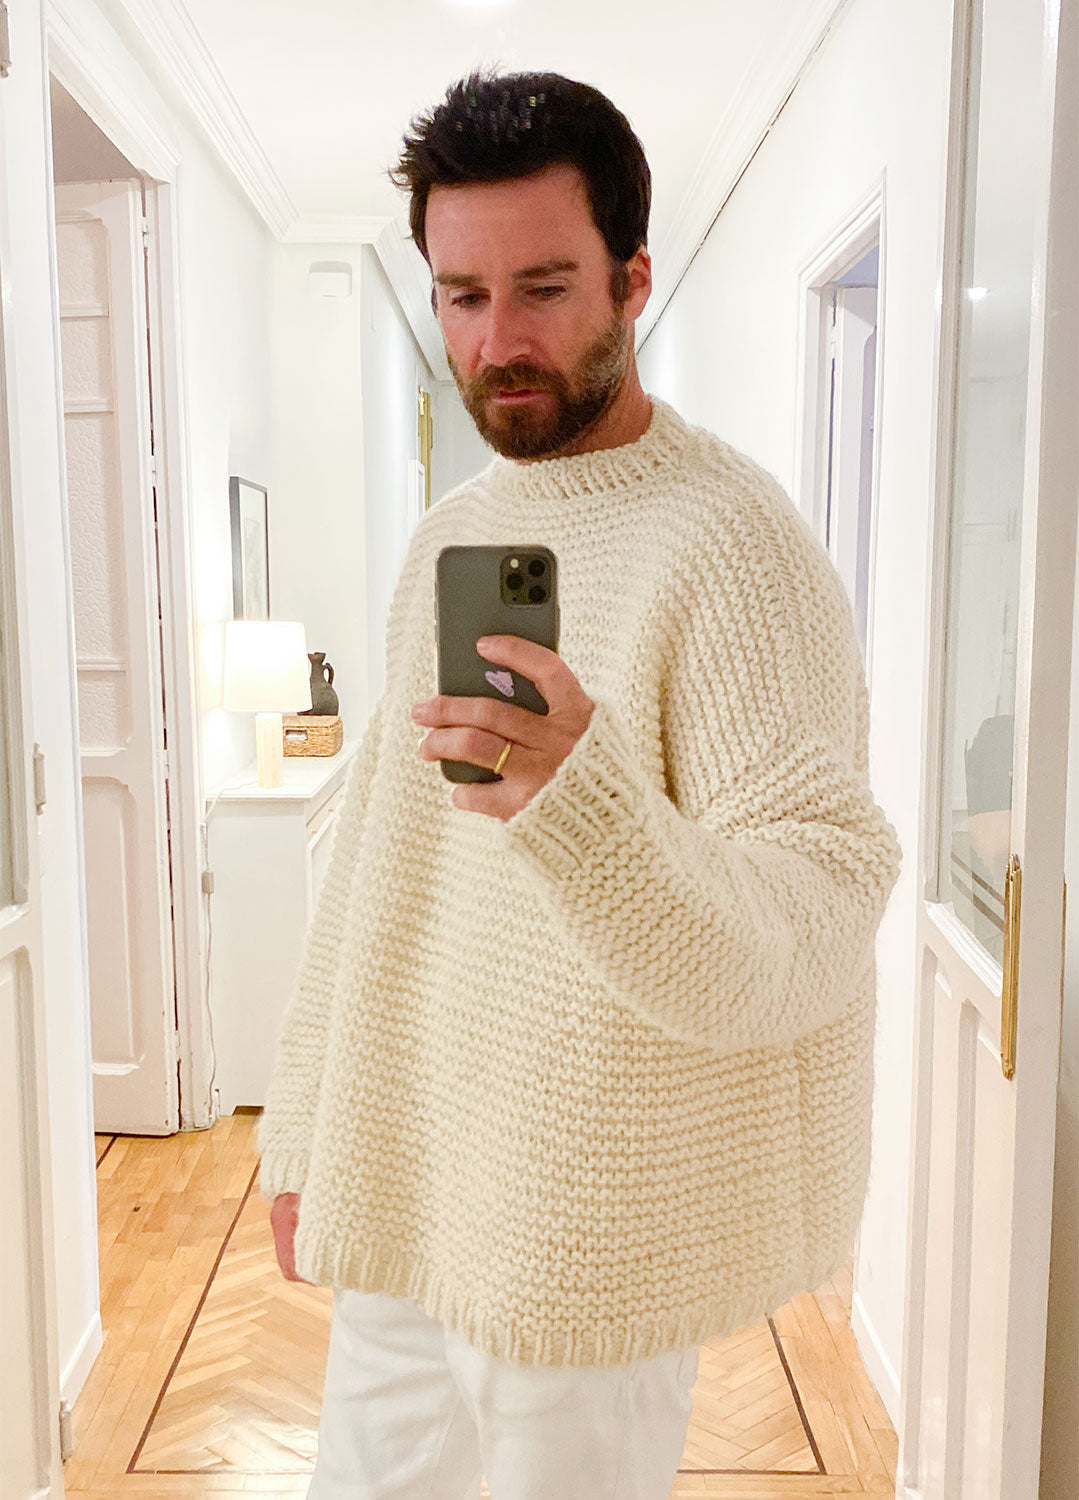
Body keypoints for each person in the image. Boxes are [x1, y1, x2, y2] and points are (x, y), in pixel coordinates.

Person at [257, 67, 903, 1500]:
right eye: (462, 296)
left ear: (633, 281)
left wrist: (587, 808)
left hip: (594, 1217)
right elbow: (375, 864)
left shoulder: (735, 547)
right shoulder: (448, 539)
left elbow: (814, 921)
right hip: (413, 1178)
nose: (499, 342)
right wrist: (305, 1125)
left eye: (544, 288)